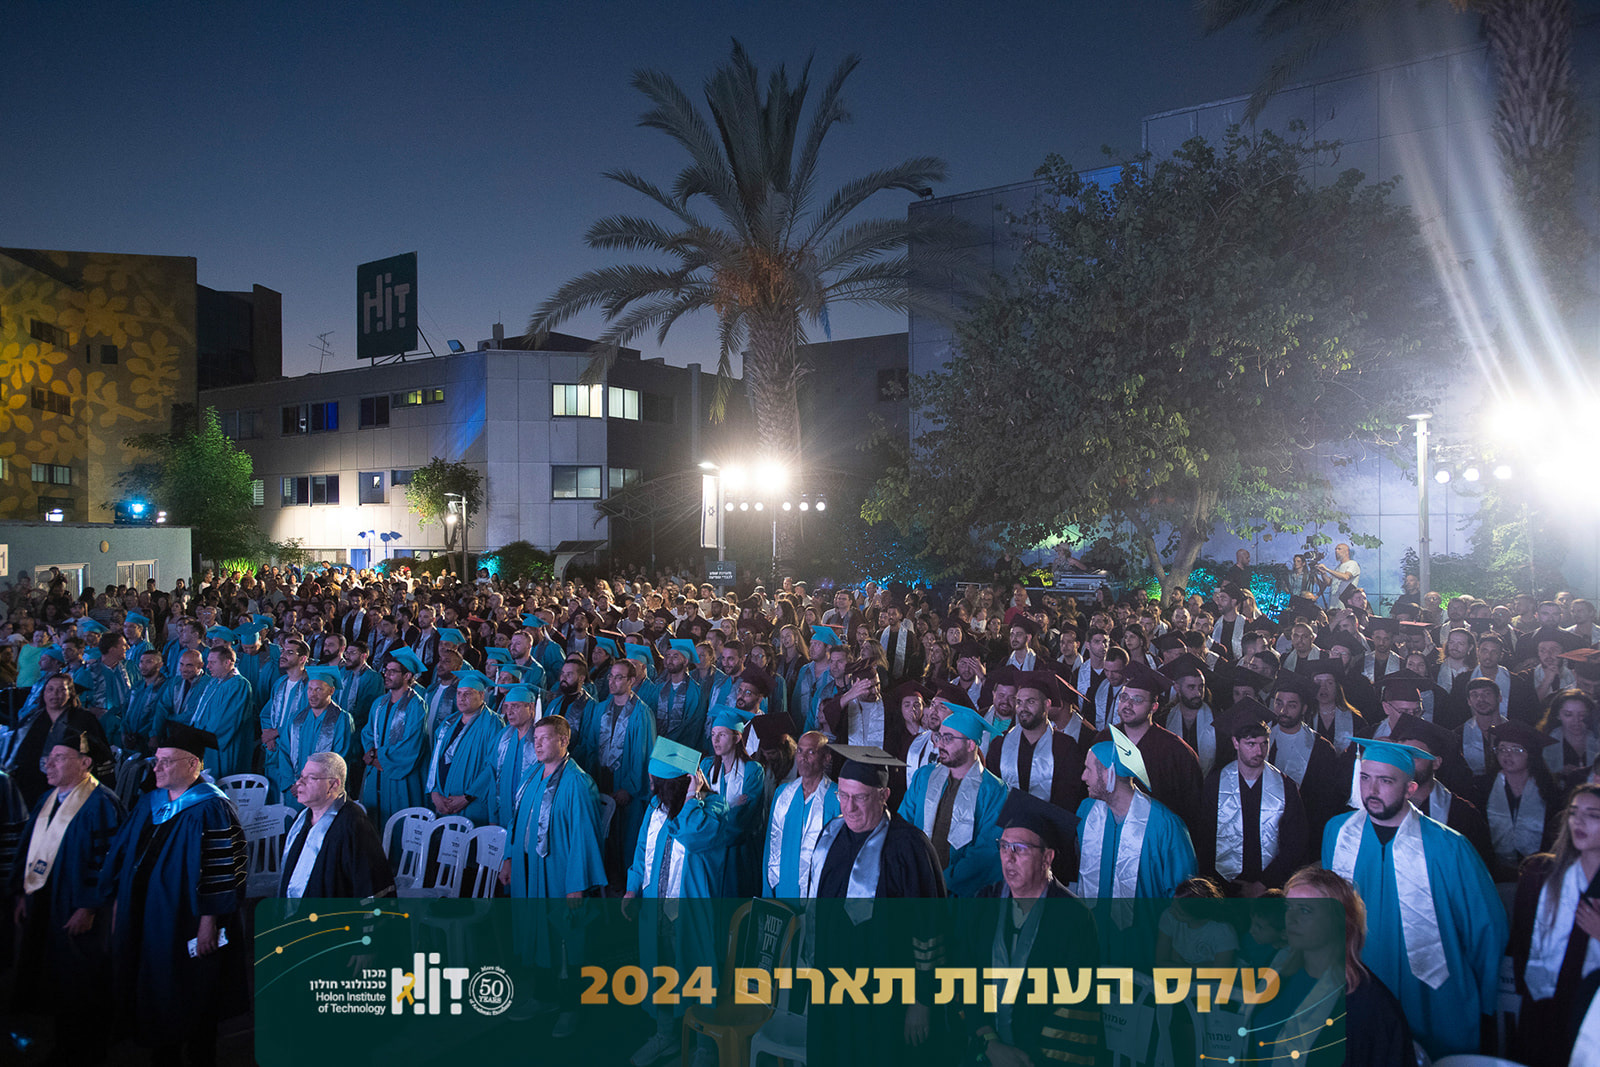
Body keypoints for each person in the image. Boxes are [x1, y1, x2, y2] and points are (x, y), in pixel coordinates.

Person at [1322, 737, 1507, 1058]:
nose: (1371, 790)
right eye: (1365, 777)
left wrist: (1485, 999)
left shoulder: (1450, 847)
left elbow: (1486, 930)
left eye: (1385, 781)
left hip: (1433, 996)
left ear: (1410, 788)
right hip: (1359, 987)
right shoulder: (1337, 833)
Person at [100, 721, 248, 1066]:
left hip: (187, 918)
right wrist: (119, 902)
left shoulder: (212, 807)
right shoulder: (150, 802)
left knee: (192, 986)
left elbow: (224, 870)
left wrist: (209, 921)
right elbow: (123, 855)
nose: (157, 768)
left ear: (193, 764)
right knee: (154, 982)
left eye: (166, 761)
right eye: (156, 761)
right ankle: (162, 1051)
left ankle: (199, 1054)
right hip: (148, 914)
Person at [807, 745, 947, 1066]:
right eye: (843, 796)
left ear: (884, 795)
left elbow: (930, 931)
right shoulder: (831, 836)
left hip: (885, 996)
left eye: (860, 797)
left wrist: (922, 1002)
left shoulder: (910, 848)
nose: (849, 807)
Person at [9, 727, 125, 1063]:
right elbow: (29, 851)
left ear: (85, 762)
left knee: (83, 980)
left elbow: (108, 862)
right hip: (48, 905)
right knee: (57, 979)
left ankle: (89, 1051)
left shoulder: (101, 804)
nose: (49, 765)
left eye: (59, 758)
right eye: (49, 758)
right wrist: (23, 894)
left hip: (81, 911)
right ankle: (64, 1045)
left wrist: (89, 907)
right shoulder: (48, 799)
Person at [964, 790, 1105, 1066]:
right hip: (986, 1052)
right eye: (1004, 846)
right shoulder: (983, 903)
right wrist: (989, 1043)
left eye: (1020, 849)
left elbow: (1076, 1006)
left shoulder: (1074, 918)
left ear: (1047, 858)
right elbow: (964, 976)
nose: (1009, 858)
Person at [623, 738, 734, 1067]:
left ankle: (704, 1046)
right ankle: (665, 1035)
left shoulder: (713, 809)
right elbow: (642, 848)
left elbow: (693, 834)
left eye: (658, 784)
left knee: (697, 975)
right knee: (661, 972)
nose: (652, 789)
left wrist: (690, 799)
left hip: (690, 912)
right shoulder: (655, 807)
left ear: (682, 784)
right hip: (656, 905)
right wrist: (632, 887)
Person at [499, 713, 606, 1040]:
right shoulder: (532, 774)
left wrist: (577, 885)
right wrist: (508, 857)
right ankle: (543, 996)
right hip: (529, 870)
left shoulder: (577, 782)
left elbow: (585, 837)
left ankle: (570, 1007)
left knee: (565, 939)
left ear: (564, 740)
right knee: (536, 932)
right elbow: (516, 821)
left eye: (545, 738)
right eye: (536, 739)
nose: (538, 744)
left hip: (559, 872)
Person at [1242, 867, 1415, 1066]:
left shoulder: (1372, 1006)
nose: (1291, 919)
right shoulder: (1278, 972)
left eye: (1305, 910)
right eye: (1289, 907)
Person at [1075, 731, 1197, 958]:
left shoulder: (1165, 826)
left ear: (1109, 773)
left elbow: (1184, 899)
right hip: (1092, 943)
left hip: (1145, 948)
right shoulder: (1086, 813)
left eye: (1088, 769)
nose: (1083, 777)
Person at [1508, 783, 1600, 1066]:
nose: (1579, 822)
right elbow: (1523, 941)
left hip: (1591, 1007)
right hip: (1543, 999)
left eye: (1593, 815)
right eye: (1573, 812)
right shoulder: (1543, 875)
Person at [1196, 699, 1310, 894]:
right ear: (1235, 742)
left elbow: (1295, 843)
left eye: (1264, 743)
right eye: (1251, 744)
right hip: (1224, 888)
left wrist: (1263, 884)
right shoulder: (1215, 784)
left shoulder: (1285, 786)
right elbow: (1204, 841)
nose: (1259, 751)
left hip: (1270, 888)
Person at [897, 704, 1007, 896]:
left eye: (948, 738)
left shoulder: (994, 790)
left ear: (970, 744)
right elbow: (902, 825)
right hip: (915, 884)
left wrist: (942, 883)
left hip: (961, 896)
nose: (939, 744)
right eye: (939, 737)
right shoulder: (924, 777)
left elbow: (987, 852)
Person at [1092, 660, 1206, 844]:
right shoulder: (1105, 739)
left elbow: (1192, 809)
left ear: (1154, 707)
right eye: (1124, 697)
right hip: (1110, 835)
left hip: (1157, 841)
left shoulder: (1177, 751)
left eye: (1137, 700)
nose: (1128, 705)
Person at [279, 751, 394, 898]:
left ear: (333, 784)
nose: (299, 783)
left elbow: (371, 885)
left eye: (311, 778)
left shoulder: (354, 824)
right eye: (301, 776)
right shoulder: (302, 819)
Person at [986, 671, 1087, 822]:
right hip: (1005, 828)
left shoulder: (1066, 748)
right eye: (1019, 702)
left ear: (1047, 705)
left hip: (1049, 829)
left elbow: (1069, 800)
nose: (1023, 708)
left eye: (1031, 702)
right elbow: (993, 794)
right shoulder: (999, 744)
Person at [359, 647, 429, 831]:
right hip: (376, 774)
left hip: (399, 777)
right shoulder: (379, 703)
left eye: (392, 672)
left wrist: (378, 758)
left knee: (397, 828)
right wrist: (372, 755)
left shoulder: (416, 705)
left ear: (407, 675)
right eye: (386, 670)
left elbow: (412, 744)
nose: (387, 675)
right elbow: (368, 733)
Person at [763, 730, 839, 897]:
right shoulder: (783, 793)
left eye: (811, 752)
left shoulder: (837, 799)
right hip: (782, 886)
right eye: (800, 751)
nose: (803, 757)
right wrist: (768, 891)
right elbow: (770, 844)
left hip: (818, 893)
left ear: (826, 758)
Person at [423, 669, 503, 825]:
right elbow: (436, 758)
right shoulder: (449, 722)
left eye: (468, 693)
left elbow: (494, 765)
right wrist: (434, 791)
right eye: (459, 693)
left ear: (481, 695)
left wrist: (467, 797)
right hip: (443, 799)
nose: (461, 698)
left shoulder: (493, 723)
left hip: (472, 803)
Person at [278, 665, 354, 812]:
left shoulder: (342, 719)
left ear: (331, 691)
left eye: (319, 689)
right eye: (310, 689)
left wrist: (312, 784)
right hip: (295, 789)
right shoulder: (296, 718)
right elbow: (284, 751)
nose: (313, 695)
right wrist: (293, 783)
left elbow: (340, 757)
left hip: (323, 791)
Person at [188, 641, 256, 779]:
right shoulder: (214, 682)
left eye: (212, 662)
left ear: (227, 663)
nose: (208, 666)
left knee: (223, 782)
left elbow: (225, 721)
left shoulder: (238, 685)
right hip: (207, 744)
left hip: (223, 747)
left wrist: (201, 738)